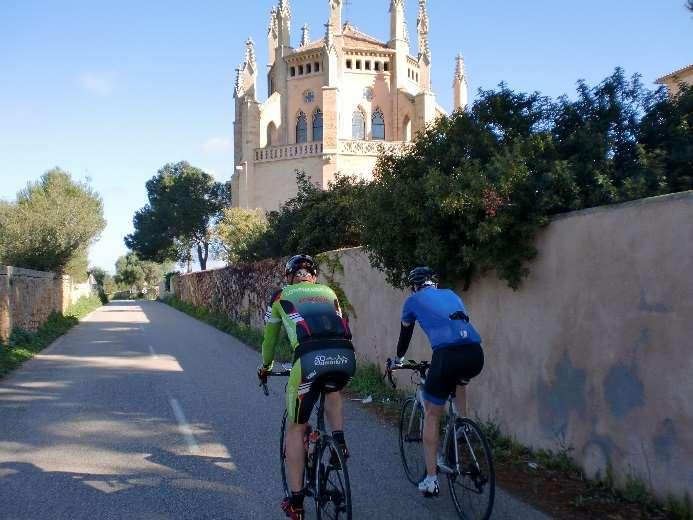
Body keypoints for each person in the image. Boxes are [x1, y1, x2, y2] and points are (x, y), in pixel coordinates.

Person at [258, 254, 356, 520]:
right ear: (313, 276)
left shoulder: (281, 295)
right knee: (332, 387)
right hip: (345, 356)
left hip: (309, 360)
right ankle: (339, 441)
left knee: (296, 427)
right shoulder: (329, 291)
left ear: (290, 276)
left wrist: (265, 367)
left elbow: (269, 341)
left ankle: (297, 502)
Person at [394, 266, 484, 497]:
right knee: (459, 382)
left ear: (414, 285)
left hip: (447, 356)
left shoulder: (412, 300)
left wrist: (398, 359)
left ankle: (432, 480)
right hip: (475, 353)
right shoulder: (452, 294)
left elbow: (406, 334)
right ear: (435, 282)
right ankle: (463, 426)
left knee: (433, 414)